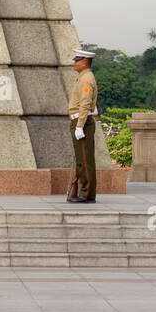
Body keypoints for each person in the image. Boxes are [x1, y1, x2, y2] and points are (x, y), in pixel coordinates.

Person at [67, 47, 99, 203]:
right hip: (80, 120)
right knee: (82, 159)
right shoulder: (83, 77)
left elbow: (85, 103)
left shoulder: (86, 79)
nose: (74, 63)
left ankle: (86, 194)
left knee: (85, 160)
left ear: (84, 62)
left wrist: (80, 125)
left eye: (77, 60)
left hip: (82, 122)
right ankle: (86, 192)